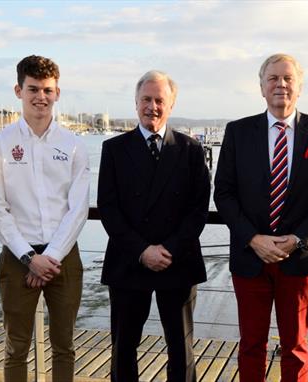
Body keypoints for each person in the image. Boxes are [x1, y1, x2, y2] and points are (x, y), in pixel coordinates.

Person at [213, 53, 308, 382]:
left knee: (296, 346)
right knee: (251, 344)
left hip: (299, 258)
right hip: (250, 257)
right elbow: (224, 193)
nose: (280, 85)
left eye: (287, 79)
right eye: (273, 79)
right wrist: (254, 239)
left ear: (299, 87)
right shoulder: (238, 132)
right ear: (261, 87)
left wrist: (298, 238)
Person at [98, 70, 210, 382]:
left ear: (171, 105)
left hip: (178, 260)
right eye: (146, 99)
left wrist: (169, 248)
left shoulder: (191, 150)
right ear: (135, 104)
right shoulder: (115, 149)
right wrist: (142, 251)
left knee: (180, 347)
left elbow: (198, 209)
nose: (152, 106)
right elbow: (109, 209)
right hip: (129, 260)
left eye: (159, 100)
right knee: (124, 346)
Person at [0, 55, 90, 381]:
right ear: (19, 90)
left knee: (65, 345)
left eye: (47, 90)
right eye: (33, 89)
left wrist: (51, 257)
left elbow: (78, 208)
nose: (40, 97)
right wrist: (30, 258)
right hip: (18, 256)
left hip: (64, 257)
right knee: (15, 346)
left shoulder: (74, 146)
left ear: (57, 92)